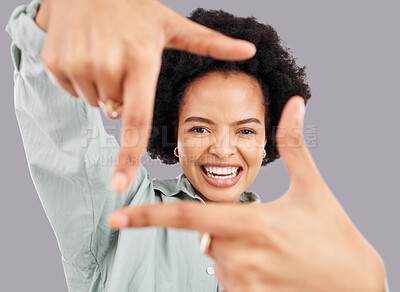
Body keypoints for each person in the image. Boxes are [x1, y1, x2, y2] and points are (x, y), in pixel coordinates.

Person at [6, 1, 388, 292]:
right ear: (174, 137)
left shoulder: (296, 253)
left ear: (266, 141)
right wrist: (61, 14)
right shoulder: (120, 211)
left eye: (245, 131)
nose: (223, 150)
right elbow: (66, 134)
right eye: (201, 129)